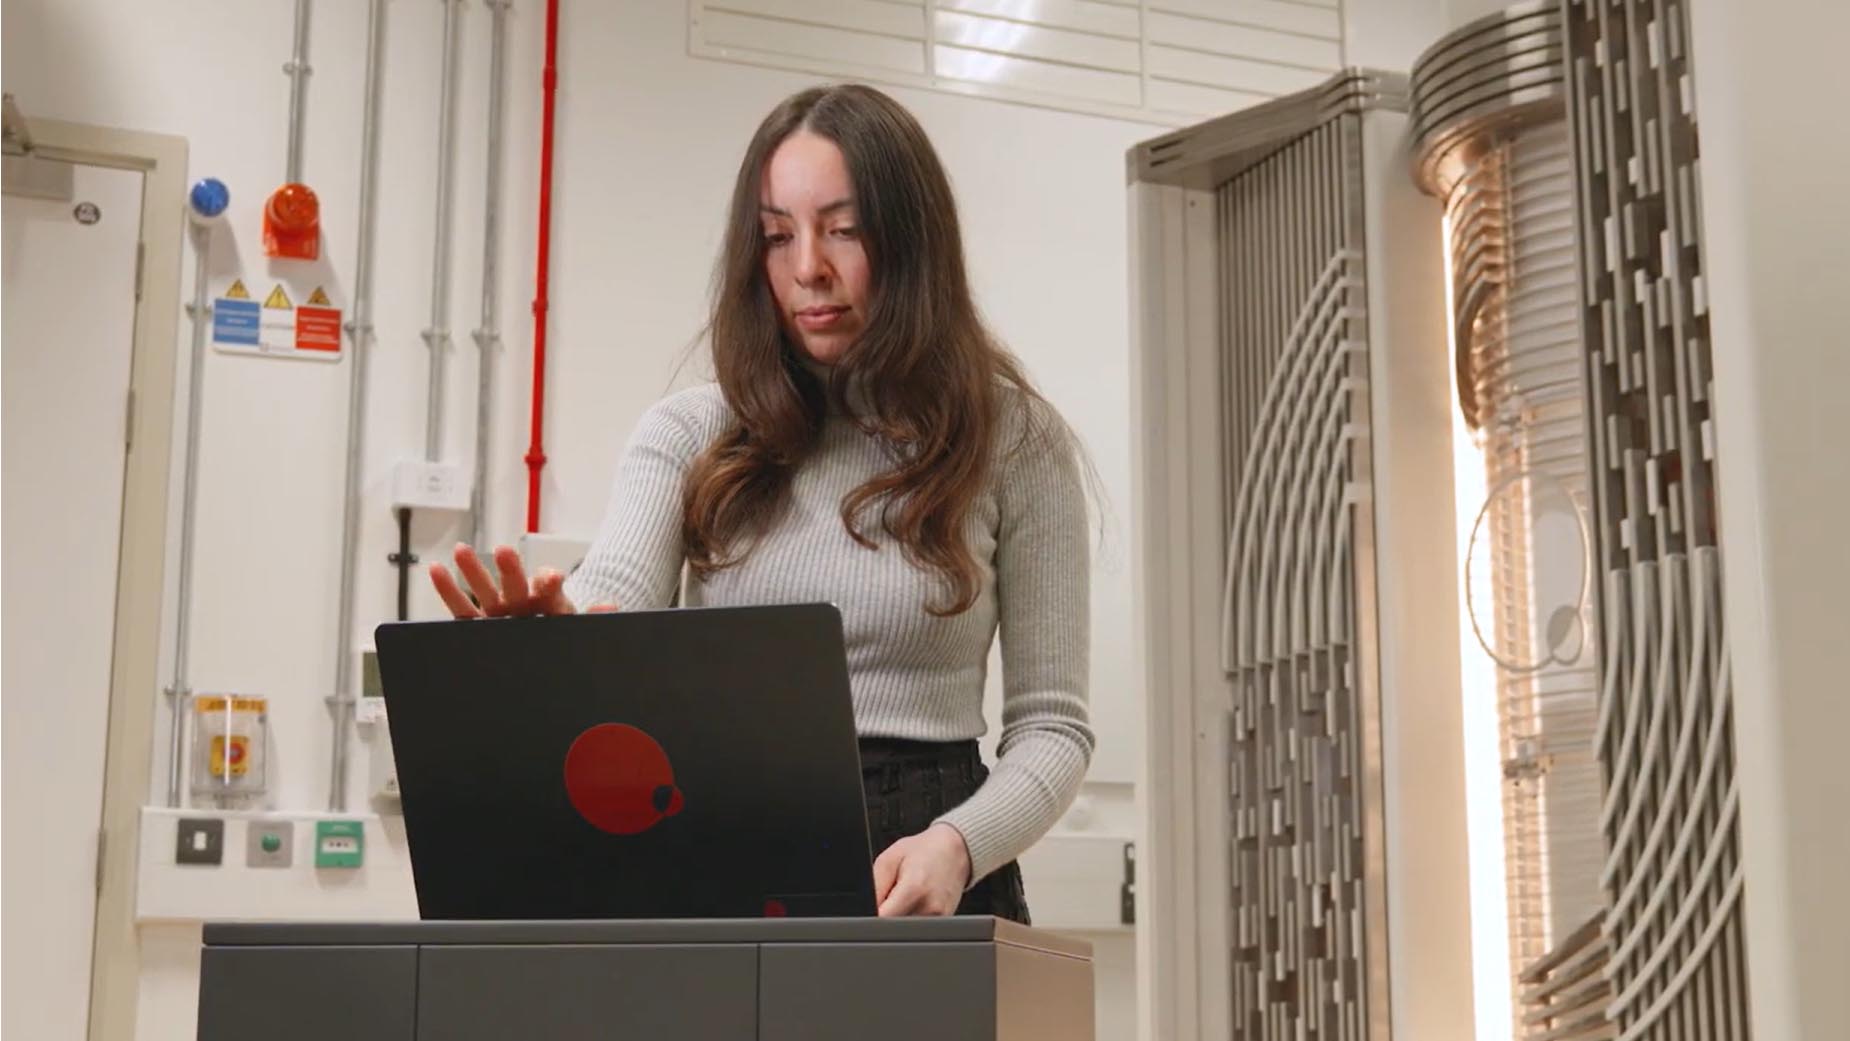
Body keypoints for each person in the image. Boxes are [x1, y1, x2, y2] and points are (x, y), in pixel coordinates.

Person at [428, 83, 1093, 925]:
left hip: (930, 869)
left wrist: (959, 844)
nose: (808, 267)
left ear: (913, 241)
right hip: (723, 849)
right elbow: (613, 600)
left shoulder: (1015, 441)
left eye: (844, 230)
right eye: (778, 235)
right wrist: (554, 645)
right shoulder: (688, 432)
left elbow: (1053, 728)